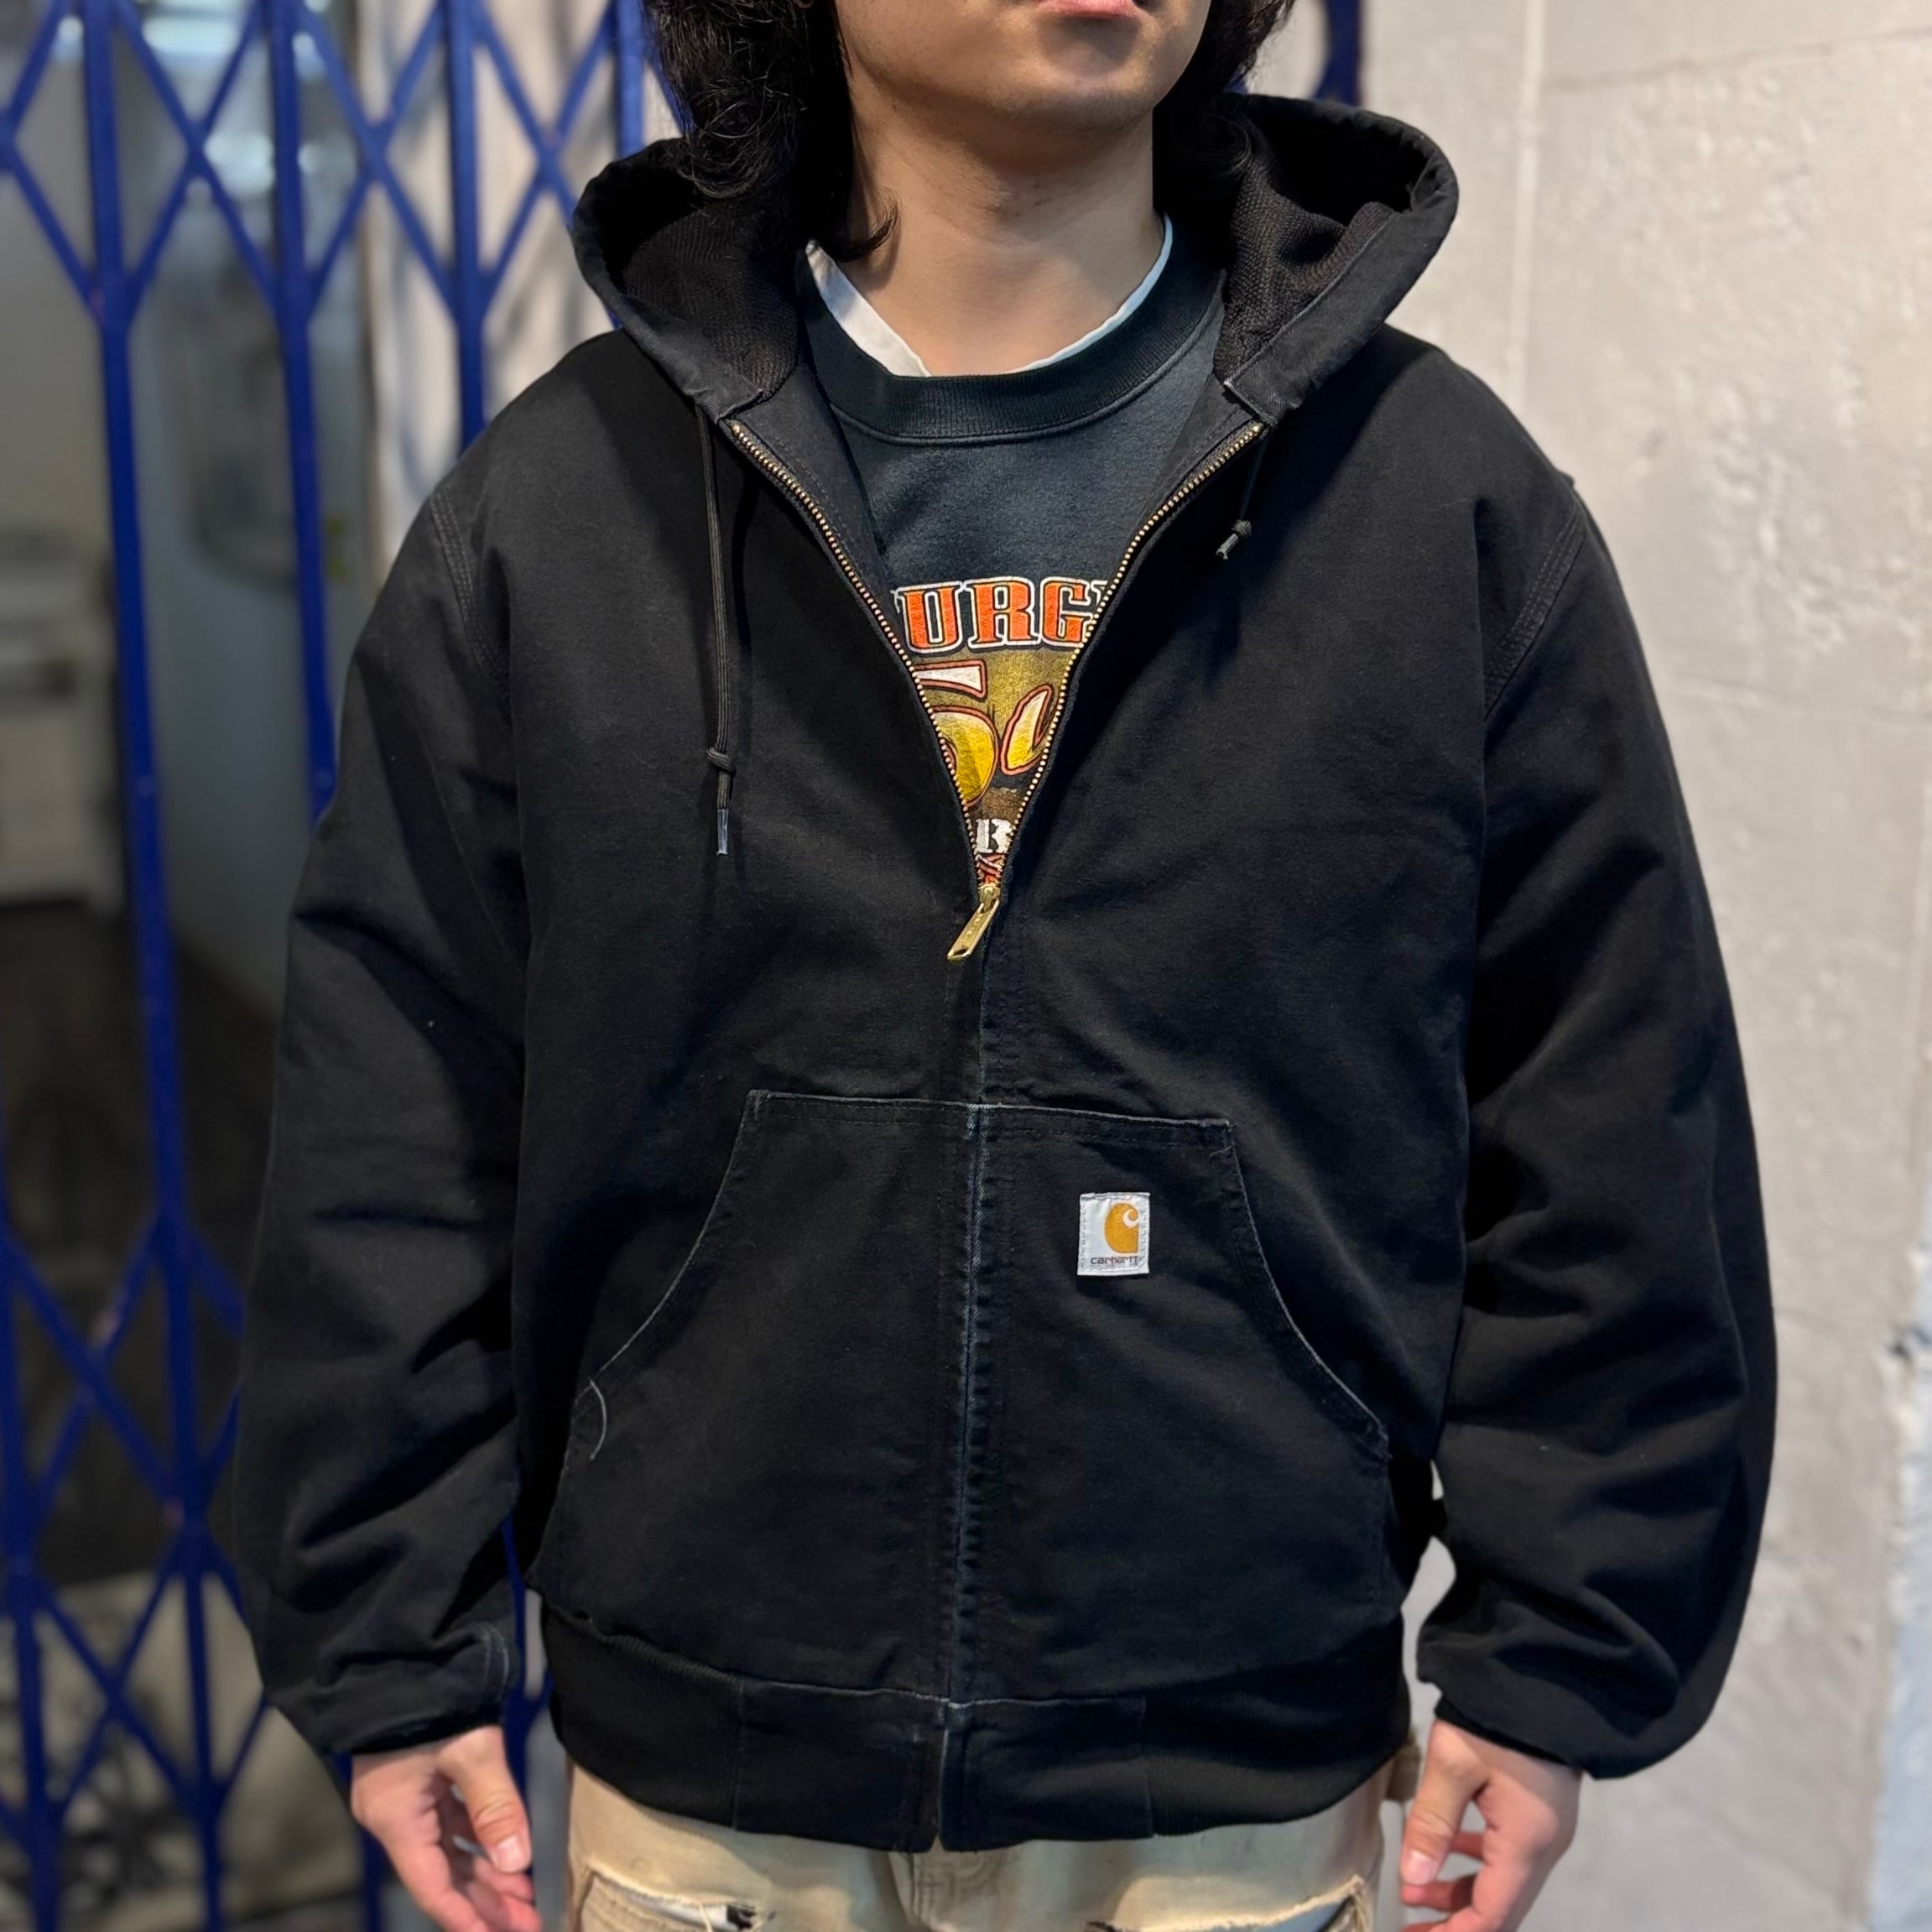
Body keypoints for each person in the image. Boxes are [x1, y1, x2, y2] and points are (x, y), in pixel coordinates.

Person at [236, 1, 1777, 1928]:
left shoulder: (1431, 501)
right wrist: (390, 1642)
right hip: (719, 1789)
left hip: (1230, 1784)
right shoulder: (564, 512)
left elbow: (1609, 1109)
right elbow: (400, 1116)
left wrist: (1559, 1652)